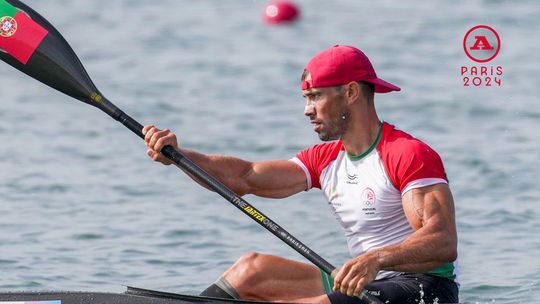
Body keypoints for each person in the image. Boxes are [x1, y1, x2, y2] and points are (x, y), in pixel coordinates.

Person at [143, 45, 459, 304]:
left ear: (350, 93)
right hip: (362, 283)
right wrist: (180, 157)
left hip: (422, 290)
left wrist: (375, 259)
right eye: (307, 99)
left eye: (316, 97)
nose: (307, 110)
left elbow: (442, 241)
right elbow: (246, 177)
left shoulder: (406, 154)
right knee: (252, 269)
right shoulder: (326, 159)